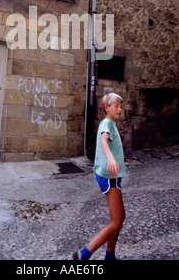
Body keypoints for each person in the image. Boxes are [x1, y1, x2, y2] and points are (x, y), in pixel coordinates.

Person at [71, 93, 125, 261]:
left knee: (117, 218)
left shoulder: (110, 123)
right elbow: (103, 141)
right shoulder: (107, 123)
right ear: (106, 108)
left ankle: (110, 256)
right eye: (116, 106)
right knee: (117, 220)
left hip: (112, 176)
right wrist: (110, 157)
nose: (120, 109)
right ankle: (84, 254)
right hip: (109, 177)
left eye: (121, 106)